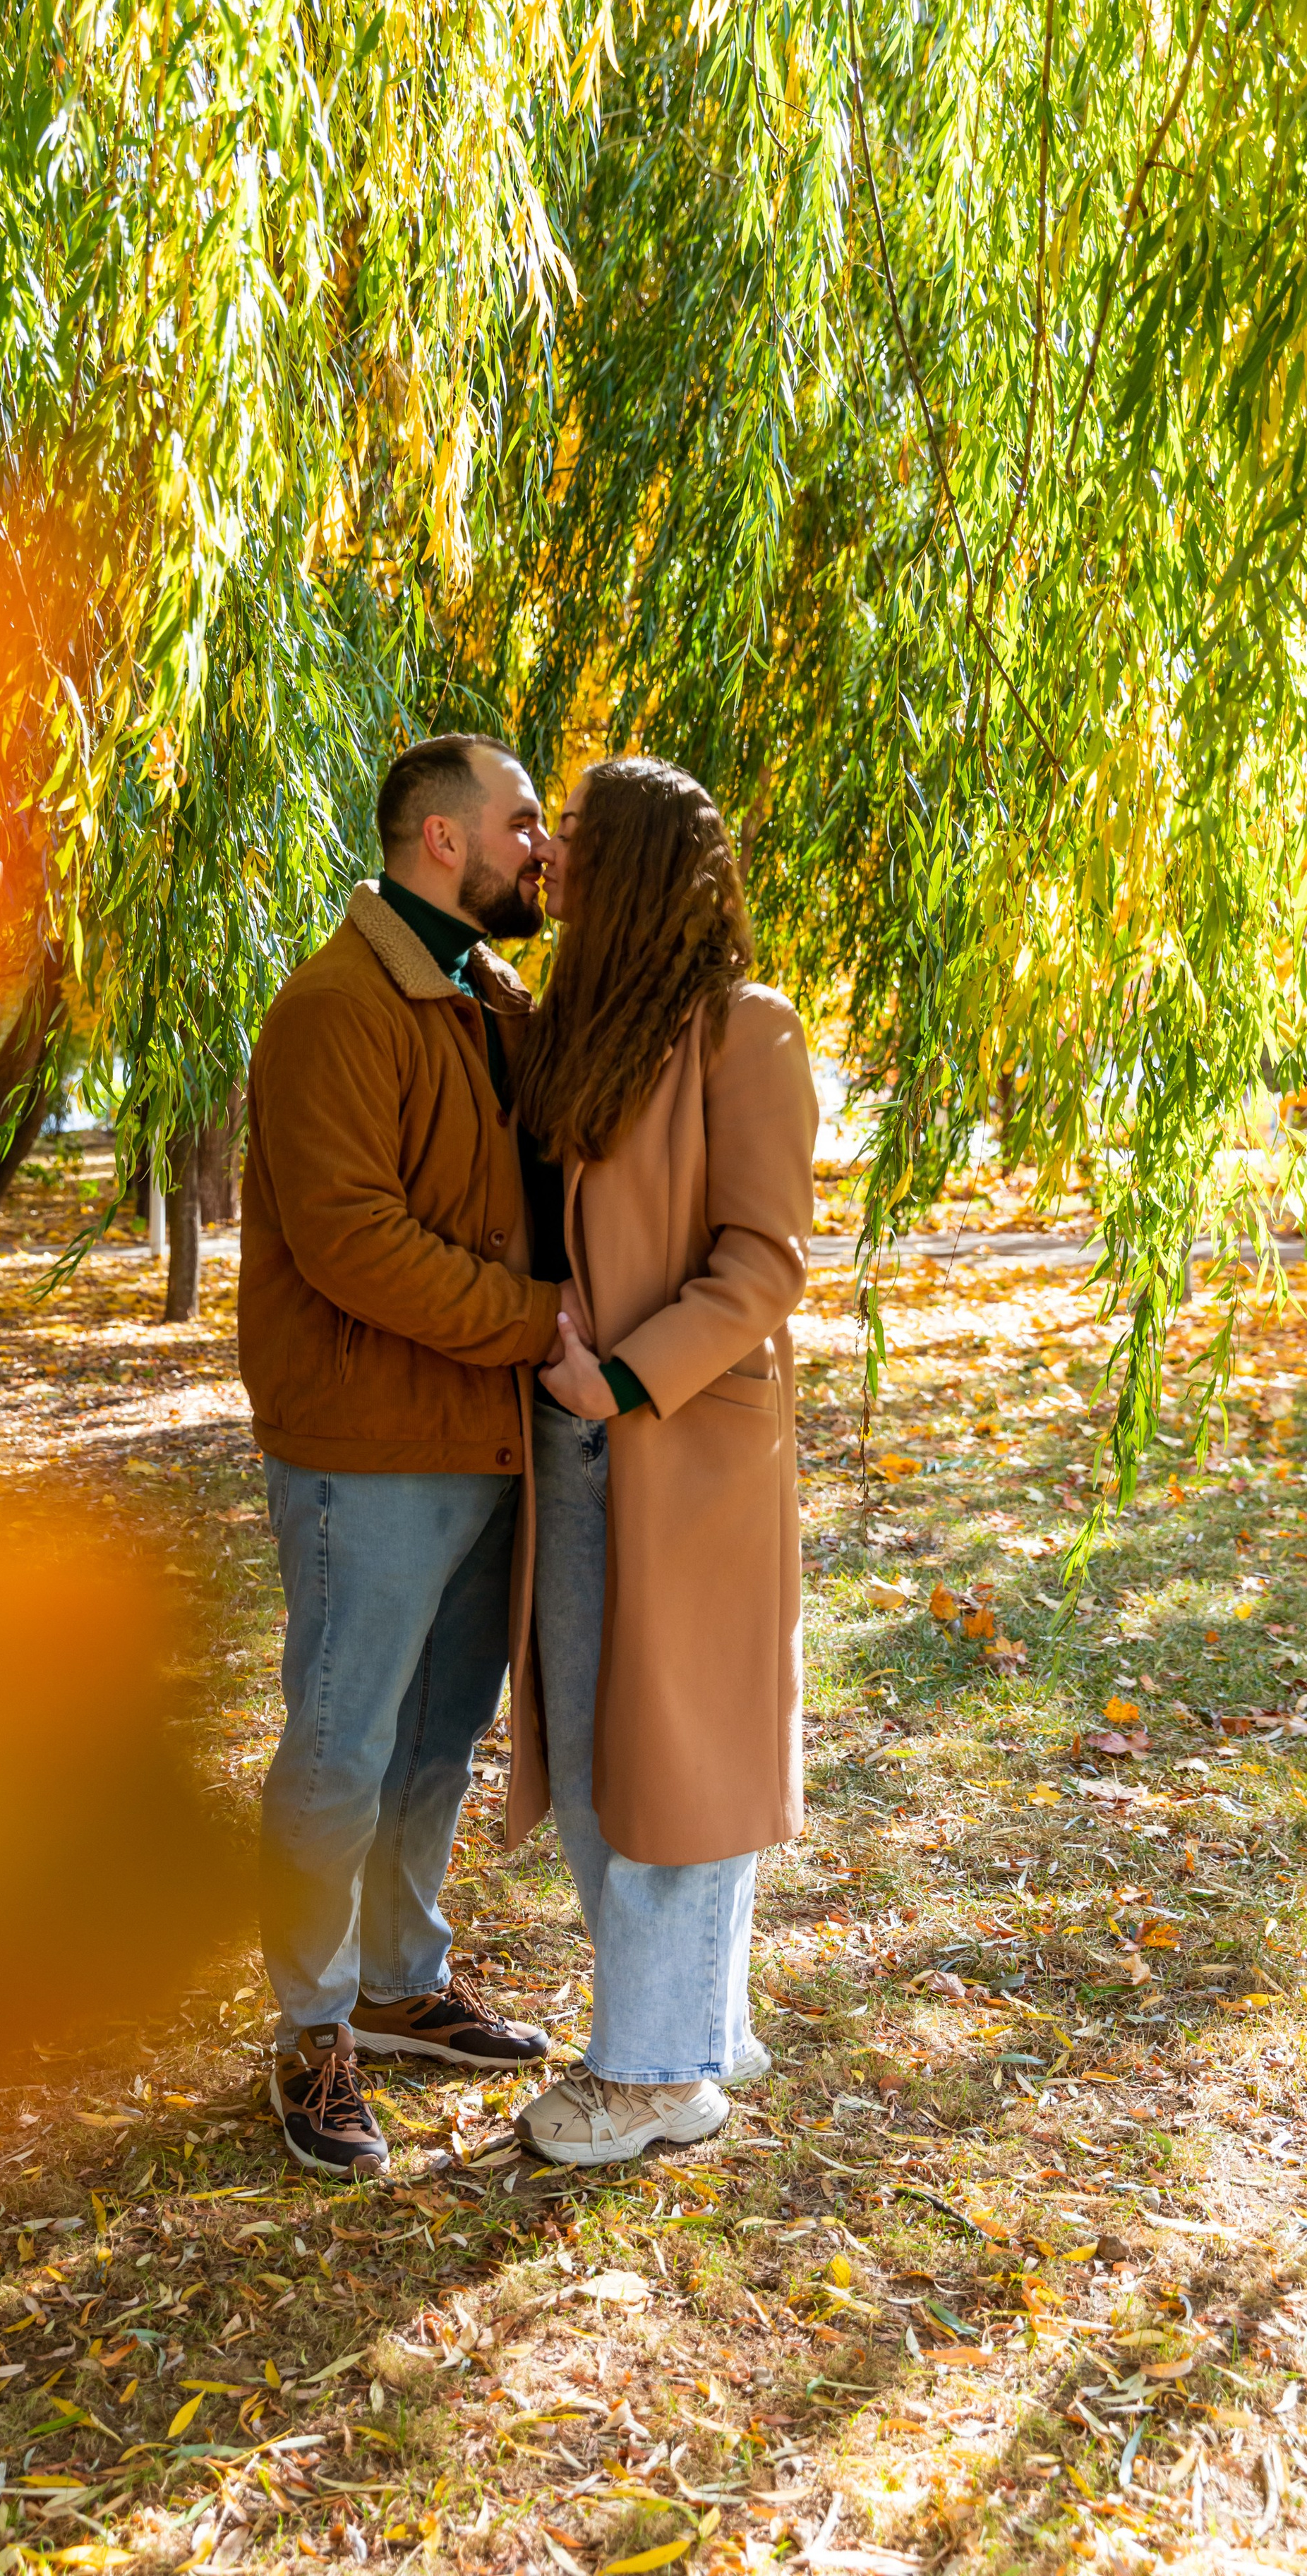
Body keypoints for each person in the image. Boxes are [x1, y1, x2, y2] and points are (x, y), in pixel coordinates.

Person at [239, 733, 568, 2175]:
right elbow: (352, 1240)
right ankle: (310, 2029)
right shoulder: (335, 1006)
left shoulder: (488, 993)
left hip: (480, 1430)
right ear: (443, 840)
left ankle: (397, 1985)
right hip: (368, 1444)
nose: (539, 848)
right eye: (523, 822)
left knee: (436, 1737)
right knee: (340, 1745)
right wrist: (538, 1322)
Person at [504, 757, 819, 2165]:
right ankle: (689, 2036)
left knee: (678, 1762)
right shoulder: (573, 1023)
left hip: (685, 1444)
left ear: (628, 861)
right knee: (594, 1757)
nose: (548, 851)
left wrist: (622, 1379)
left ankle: (646, 2076)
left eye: (569, 832)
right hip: (572, 1445)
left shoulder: (746, 1030)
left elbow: (764, 1260)